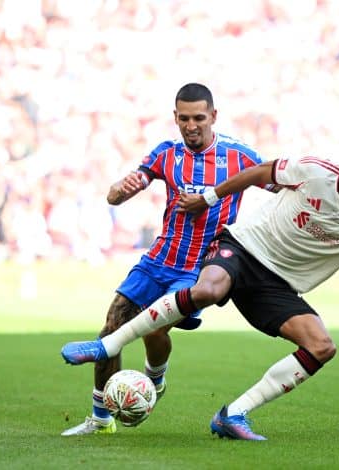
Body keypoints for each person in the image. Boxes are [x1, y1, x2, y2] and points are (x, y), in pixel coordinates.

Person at [61, 137, 339, 440]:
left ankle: (232, 415)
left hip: (277, 285)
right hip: (243, 247)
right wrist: (211, 197)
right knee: (209, 289)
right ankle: (107, 345)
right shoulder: (314, 171)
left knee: (322, 346)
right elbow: (257, 172)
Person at [61, 83, 273, 436]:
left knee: (155, 324)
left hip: (199, 269)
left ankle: (155, 379)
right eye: (184, 118)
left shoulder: (241, 157)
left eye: (199, 118)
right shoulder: (166, 153)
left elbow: (279, 185)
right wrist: (120, 190)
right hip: (158, 260)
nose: (191, 126)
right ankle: (100, 419)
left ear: (213, 116)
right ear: (175, 117)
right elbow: (116, 194)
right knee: (110, 330)